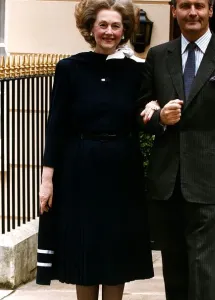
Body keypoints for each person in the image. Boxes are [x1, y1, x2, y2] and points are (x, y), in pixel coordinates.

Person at [36, 0, 156, 299]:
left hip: (122, 169)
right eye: (103, 24)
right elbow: (57, 125)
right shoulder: (69, 68)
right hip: (80, 168)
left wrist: (153, 106)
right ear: (90, 28)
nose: (109, 31)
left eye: (116, 26)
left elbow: (145, 113)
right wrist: (47, 179)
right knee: (85, 248)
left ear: (124, 30)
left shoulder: (137, 72)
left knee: (116, 250)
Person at [138, 0, 215, 299]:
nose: (193, 12)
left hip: (209, 180)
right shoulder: (157, 55)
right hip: (167, 180)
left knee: (203, 267)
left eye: (199, 5)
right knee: (174, 267)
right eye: (186, 5)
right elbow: (140, 109)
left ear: (211, 10)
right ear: (174, 11)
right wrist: (159, 119)